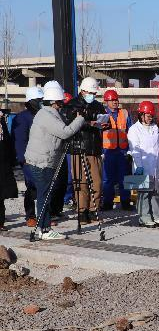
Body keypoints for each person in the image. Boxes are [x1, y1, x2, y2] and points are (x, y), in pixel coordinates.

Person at [24, 81, 85, 240]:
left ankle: (43, 228)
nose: (62, 104)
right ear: (54, 101)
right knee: (44, 195)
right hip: (42, 162)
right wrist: (80, 120)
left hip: (42, 160)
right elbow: (65, 132)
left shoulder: (46, 113)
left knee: (44, 194)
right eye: (60, 101)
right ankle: (44, 230)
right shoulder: (47, 115)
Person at [61, 77, 107, 224]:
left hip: (94, 148)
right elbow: (69, 124)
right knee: (81, 183)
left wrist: (105, 124)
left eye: (94, 93)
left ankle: (94, 210)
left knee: (97, 182)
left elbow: (105, 120)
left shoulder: (98, 105)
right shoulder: (72, 105)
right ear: (83, 91)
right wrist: (89, 123)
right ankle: (82, 211)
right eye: (91, 93)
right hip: (78, 148)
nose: (92, 95)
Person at [128, 101, 159, 227]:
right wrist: (139, 165)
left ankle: (156, 216)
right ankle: (144, 217)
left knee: (155, 193)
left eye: (151, 116)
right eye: (148, 116)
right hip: (142, 166)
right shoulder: (134, 129)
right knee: (144, 193)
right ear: (141, 115)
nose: (150, 118)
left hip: (155, 166)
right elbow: (135, 150)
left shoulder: (155, 128)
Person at [12, 86, 44, 227]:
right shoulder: (22, 118)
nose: (41, 102)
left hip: (43, 156)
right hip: (28, 158)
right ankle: (30, 215)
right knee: (32, 185)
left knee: (44, 185)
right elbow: (20, 140)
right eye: (39, 100)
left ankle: (44, 214)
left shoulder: (43, 115)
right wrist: (23, 158)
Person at [101, 89, 133, 211]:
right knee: (107, 179)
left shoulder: (124, 113)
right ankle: (107, 202)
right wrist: (101, 151)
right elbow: (98, 133)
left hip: (123, 151)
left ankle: (126, 201)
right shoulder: (102, 114)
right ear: (106, 101)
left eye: (116, 100)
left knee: (124, 178)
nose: (115, 102)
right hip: (108, 152)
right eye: (112, 100)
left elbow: (131, 131)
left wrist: (130, 149)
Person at [0, 108, 17, 231]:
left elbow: (8, 142)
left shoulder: (2, 123)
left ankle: (1, 221)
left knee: (1, 194)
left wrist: (12, 160)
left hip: (3, 163)